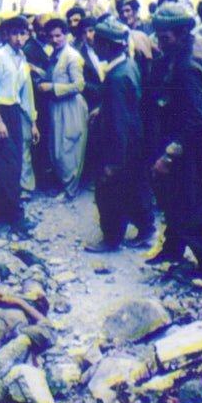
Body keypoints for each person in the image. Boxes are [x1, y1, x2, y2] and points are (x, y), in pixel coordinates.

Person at [144, 2, 202, 278]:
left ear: (182, 32)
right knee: (173, 197)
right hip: (191, 133)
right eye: (157, 36)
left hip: (192, 142)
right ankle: (172, 248)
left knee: (191, 204)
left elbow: (197, 118)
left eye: (165, 37)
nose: (160, 42)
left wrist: (170, 154)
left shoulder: (187, 66)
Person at [85, 18, 154, 252]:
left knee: (109, 193)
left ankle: (111, 238)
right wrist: (101, 109)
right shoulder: (127, 66)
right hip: (133, 141)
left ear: (105, 45)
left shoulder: (116, 77)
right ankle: (146, 229)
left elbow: (118, 122)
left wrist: (113, 163)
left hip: (118, 146)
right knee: (135, 187)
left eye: (96, 42)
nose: (93, 45)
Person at [0, 14, 39, 223]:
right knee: (3, 164)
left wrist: (32, 122)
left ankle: (1, 212)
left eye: (23, 34)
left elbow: (25, 93)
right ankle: (13, 214)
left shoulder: (21, 59)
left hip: (14, 112)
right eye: (15, 33)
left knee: (14, 165)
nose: (19, 39)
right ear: (6, 34)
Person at [38, 17, 88, 199]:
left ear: (65, 35)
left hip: (71, 106)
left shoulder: (72, 56)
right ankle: (63, 184)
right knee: (57, 148)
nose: (55, 40)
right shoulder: (54, 55)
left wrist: (52, 88)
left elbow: (79, 85)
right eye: (51, 36)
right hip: (57, 106)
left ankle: (70, 190)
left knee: (69, 147)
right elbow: (55, 76)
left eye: (58, 36)